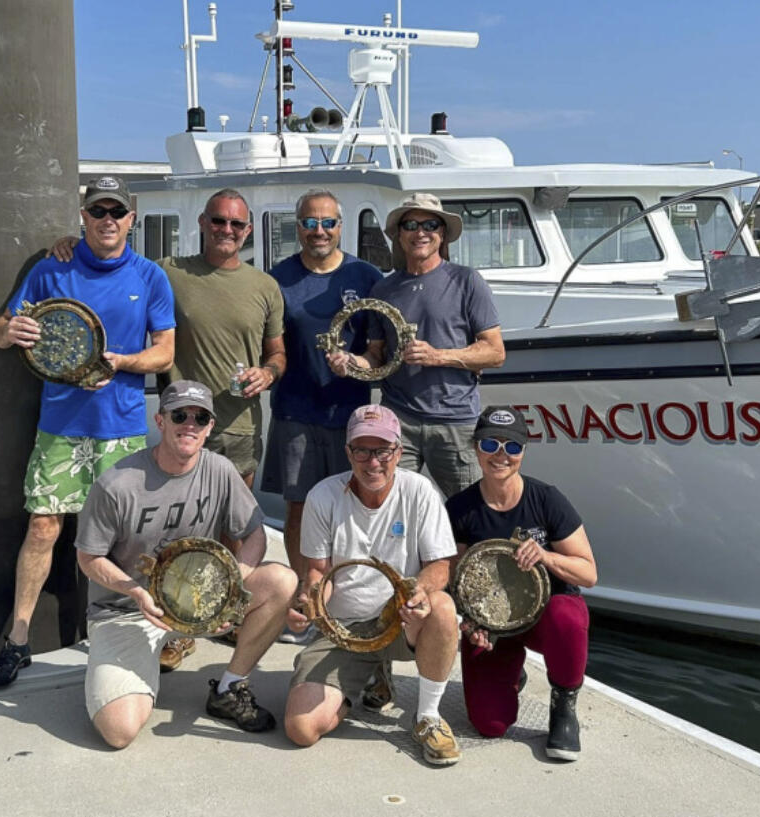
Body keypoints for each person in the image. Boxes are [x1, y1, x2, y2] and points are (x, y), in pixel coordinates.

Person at [53, 188, 286, 670]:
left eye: (237, 225)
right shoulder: (167, 271)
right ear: (203, 222)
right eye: (219, 221)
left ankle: (217, 610)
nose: (228, 231)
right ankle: (177, 620)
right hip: (184, 418)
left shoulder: (264, 285)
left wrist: (268, 373)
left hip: (238, 424)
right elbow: (112, 254)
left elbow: (277, 353)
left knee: (230, 529)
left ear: (247, 231)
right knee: (178, 523)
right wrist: (65, 245)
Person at [0, 176, 176, 688]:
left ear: (131, 219)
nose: (107, 220)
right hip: (62, 426)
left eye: (117, 211)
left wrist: (128, 360)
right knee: (44, 528)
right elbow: (2, 331)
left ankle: (130, 633)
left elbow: (166, 351)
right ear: (84, 217)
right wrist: (11, 331)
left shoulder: (150, 275)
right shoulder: (53, 268)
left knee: (130, 539)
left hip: (122, 427)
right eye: (98, 211)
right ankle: (18, 640)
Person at [75, 380, 297, 748]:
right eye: (179, 415)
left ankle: (229, 687)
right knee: (119, 732)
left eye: (200, 417)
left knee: (281, 581)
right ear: (160, 421)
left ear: (210, 427)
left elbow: (255, 534)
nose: (189, 424)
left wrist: (229, 586)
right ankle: (123, 670)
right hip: (129, 610)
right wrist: (134, 590)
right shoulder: (117, 484)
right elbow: (88, 557)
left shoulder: (221, 470)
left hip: (200, 600)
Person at [282, 404, 463, 766]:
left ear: (398, 452)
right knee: (301, 728)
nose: (372, 461)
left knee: (442, 607)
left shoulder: (420, 491)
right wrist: (310, 602)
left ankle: (427, 716)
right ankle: (364, 677)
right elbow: (318, 571)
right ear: (348, 452)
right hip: (343, 628)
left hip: (400, 619)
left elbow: (440, 566)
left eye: (381, 450)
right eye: (361, 450)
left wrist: (420, 592)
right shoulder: (322, 495)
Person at [327, 192, 504, 500]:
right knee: (389, 504)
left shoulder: (467, 281)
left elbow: (495, 352)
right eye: (410, 224)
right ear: (399, 234)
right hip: (399, 421)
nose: (420, 232)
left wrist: (438, 356)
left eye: (430, 224)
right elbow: (376, 356)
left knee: (470, 511)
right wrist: (350, 363)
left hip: (455, 421)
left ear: (443, 233)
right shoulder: (383, 289)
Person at [444, 405, 597, 761]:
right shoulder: (459, 509)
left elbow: (588, 573)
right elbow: (453, 581)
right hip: (493, 625)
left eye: (512, 447)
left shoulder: (546, 499)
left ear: (523, 452)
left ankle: (563, 706)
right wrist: (469, 624)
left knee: (568, 616)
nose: (501, 455)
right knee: (490, 724)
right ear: (476, 447)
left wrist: (546, 556)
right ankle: (514, 674)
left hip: (545, 615)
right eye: (490, 444)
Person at [262, 189, 383, 630]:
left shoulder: (365, 275)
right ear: (298, 227)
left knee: (353, 511)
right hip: (294, 412)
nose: (319, 231)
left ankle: (348, 601)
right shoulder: (277, 279)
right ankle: (305, 599)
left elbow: (377, 351)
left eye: (328, 222)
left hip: (350, 416)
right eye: (310, 222)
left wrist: (356, 364)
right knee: (300, 509)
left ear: (340, 226)